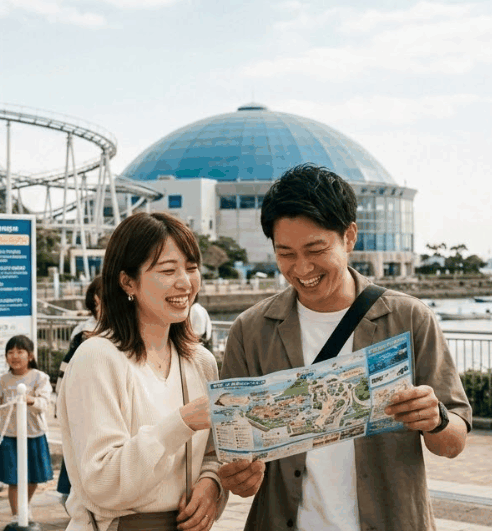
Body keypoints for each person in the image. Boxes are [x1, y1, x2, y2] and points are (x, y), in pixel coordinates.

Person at [217, 164, 472, 531]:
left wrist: (437, 419)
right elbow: (234, 463)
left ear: (349, 236)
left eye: (316, 249)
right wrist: (239, 476)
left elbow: (453, 443)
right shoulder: (252, 329)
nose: (302, 268)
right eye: (285, 253)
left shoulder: (408, 318)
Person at [57, 212, 227, 531]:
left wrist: (211, 483)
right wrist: (182, 422)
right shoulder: (97, 358)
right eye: (167, 270)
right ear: (127, 281)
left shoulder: (201, 361)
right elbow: (103, 484)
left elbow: (215, 453)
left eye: (191, 268)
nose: (185, 282)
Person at [0, 334, 53, 524]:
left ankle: (25, 506)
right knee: (13, 478)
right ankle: (17, 514)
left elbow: (44, 404)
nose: (15, 356)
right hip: (9, 436)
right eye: (10, 352)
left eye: (20, 351)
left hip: (33, 435)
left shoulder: (40, 378)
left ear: (30, 356)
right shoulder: (3, 380)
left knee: (33, 476)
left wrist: (30, 399)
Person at [56, 275, 102, 503]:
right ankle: (70, 494)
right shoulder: (82, 332)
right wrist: (60, 404)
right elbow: (65, 370)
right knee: (77, 448)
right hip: (82, 402)